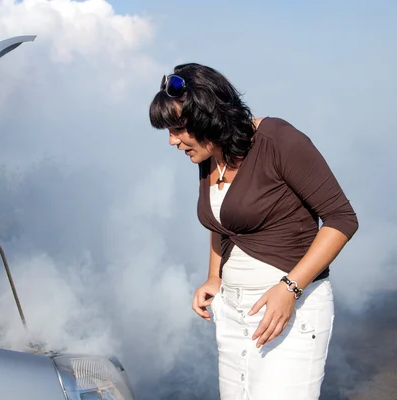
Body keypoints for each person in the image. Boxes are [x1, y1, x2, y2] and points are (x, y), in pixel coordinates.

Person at [148, 63, 358, 400]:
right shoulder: (208, 154)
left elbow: (341, 219)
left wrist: (290, 288)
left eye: (177, 129)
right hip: (231, 314)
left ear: (207, 116)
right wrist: (213, 277)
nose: (173, 141)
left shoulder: (278, 139)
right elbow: (222, 223)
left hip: (288, 315)